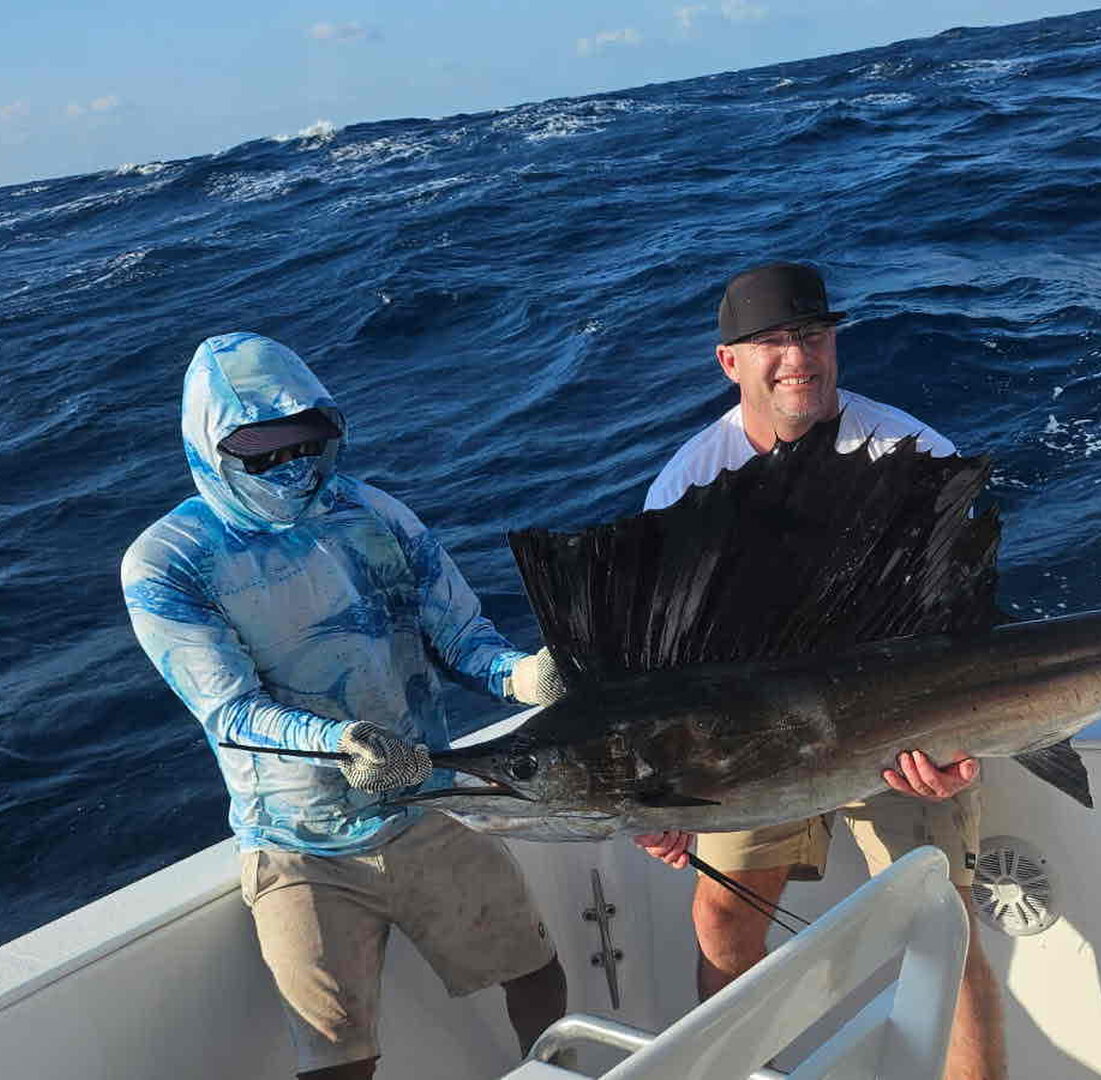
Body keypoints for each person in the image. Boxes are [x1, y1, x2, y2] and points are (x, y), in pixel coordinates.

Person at [121, 333, 569, 1080]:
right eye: (264, 456)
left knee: (536, 972)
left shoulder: (375, 513)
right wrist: (345, 742)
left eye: (308, 445)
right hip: (299, 847)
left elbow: (461, 638)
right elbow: (231, 712)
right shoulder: (167, 562)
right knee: (337, 1059)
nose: (294, 468)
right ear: (208, 450)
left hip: (426, 803)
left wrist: (524, 677)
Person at [635, 262, 1006, 1080]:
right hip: (753, 747)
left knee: (943, 932)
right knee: (722, 918)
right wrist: (656, 794)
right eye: (771, 341)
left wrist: (961, 746)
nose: (797, 357)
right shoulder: (684, 489)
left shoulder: (915, 455)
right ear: (729, 361)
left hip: (904, 736)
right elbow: (663, 679)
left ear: (835, 344)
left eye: (811, 334)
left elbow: (970, 637)